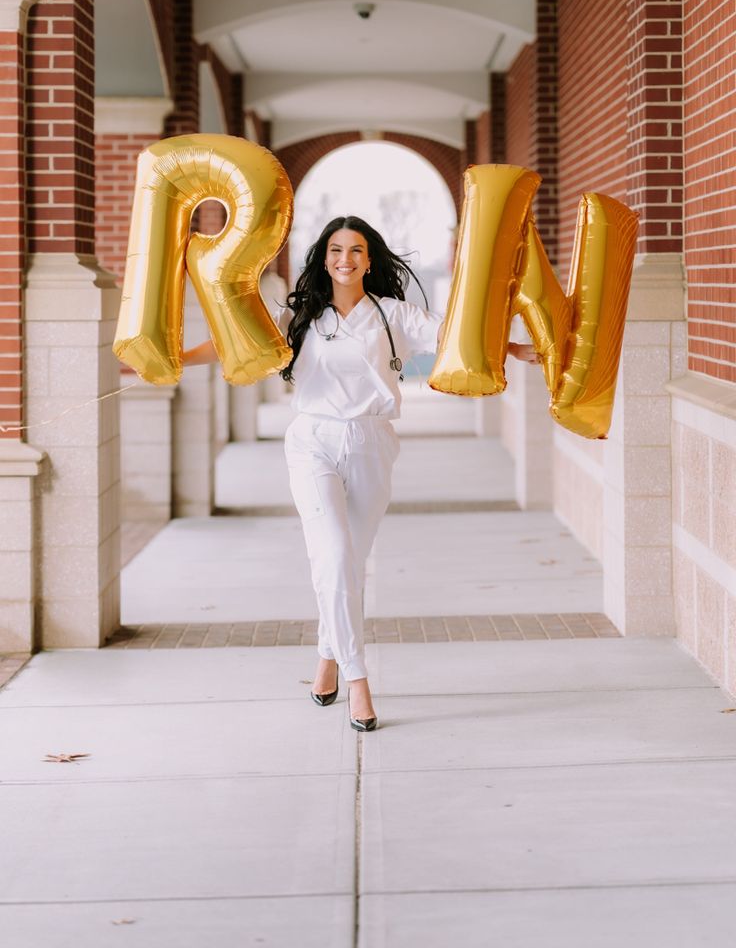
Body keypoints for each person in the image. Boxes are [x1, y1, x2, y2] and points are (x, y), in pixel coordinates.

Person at [183, 215, 538, 732]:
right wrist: (172, 358)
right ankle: (357, 681)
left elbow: (456, 336)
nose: (344, 259)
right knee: (334, 553)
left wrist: (518, 349)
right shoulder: (297, 313)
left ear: (370, 259)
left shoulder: (393, 314)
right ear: (322, 258)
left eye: (355, 250)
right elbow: (231, 343)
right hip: (313, 441)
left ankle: (327, 656)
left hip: (373, 441)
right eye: (335, 250)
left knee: (347, 565)